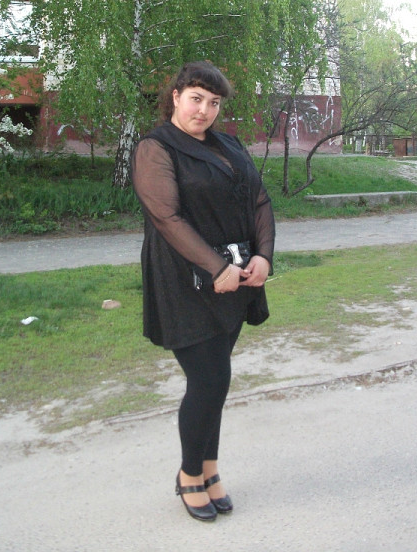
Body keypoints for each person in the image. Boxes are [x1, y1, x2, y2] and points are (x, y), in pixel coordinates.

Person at [131, 61, 275, 522]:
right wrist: (216, 268)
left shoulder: (229, 145)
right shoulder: (155, 148)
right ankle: (189, 474)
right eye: (196, 99)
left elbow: (259, 199)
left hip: (235, 279)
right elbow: (166, 217)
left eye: (214, 103)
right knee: (209, 379)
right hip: (184, 281)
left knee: (216, 381)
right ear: (176, 97)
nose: (205, 110)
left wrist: (264, 256)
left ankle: (209, 470)